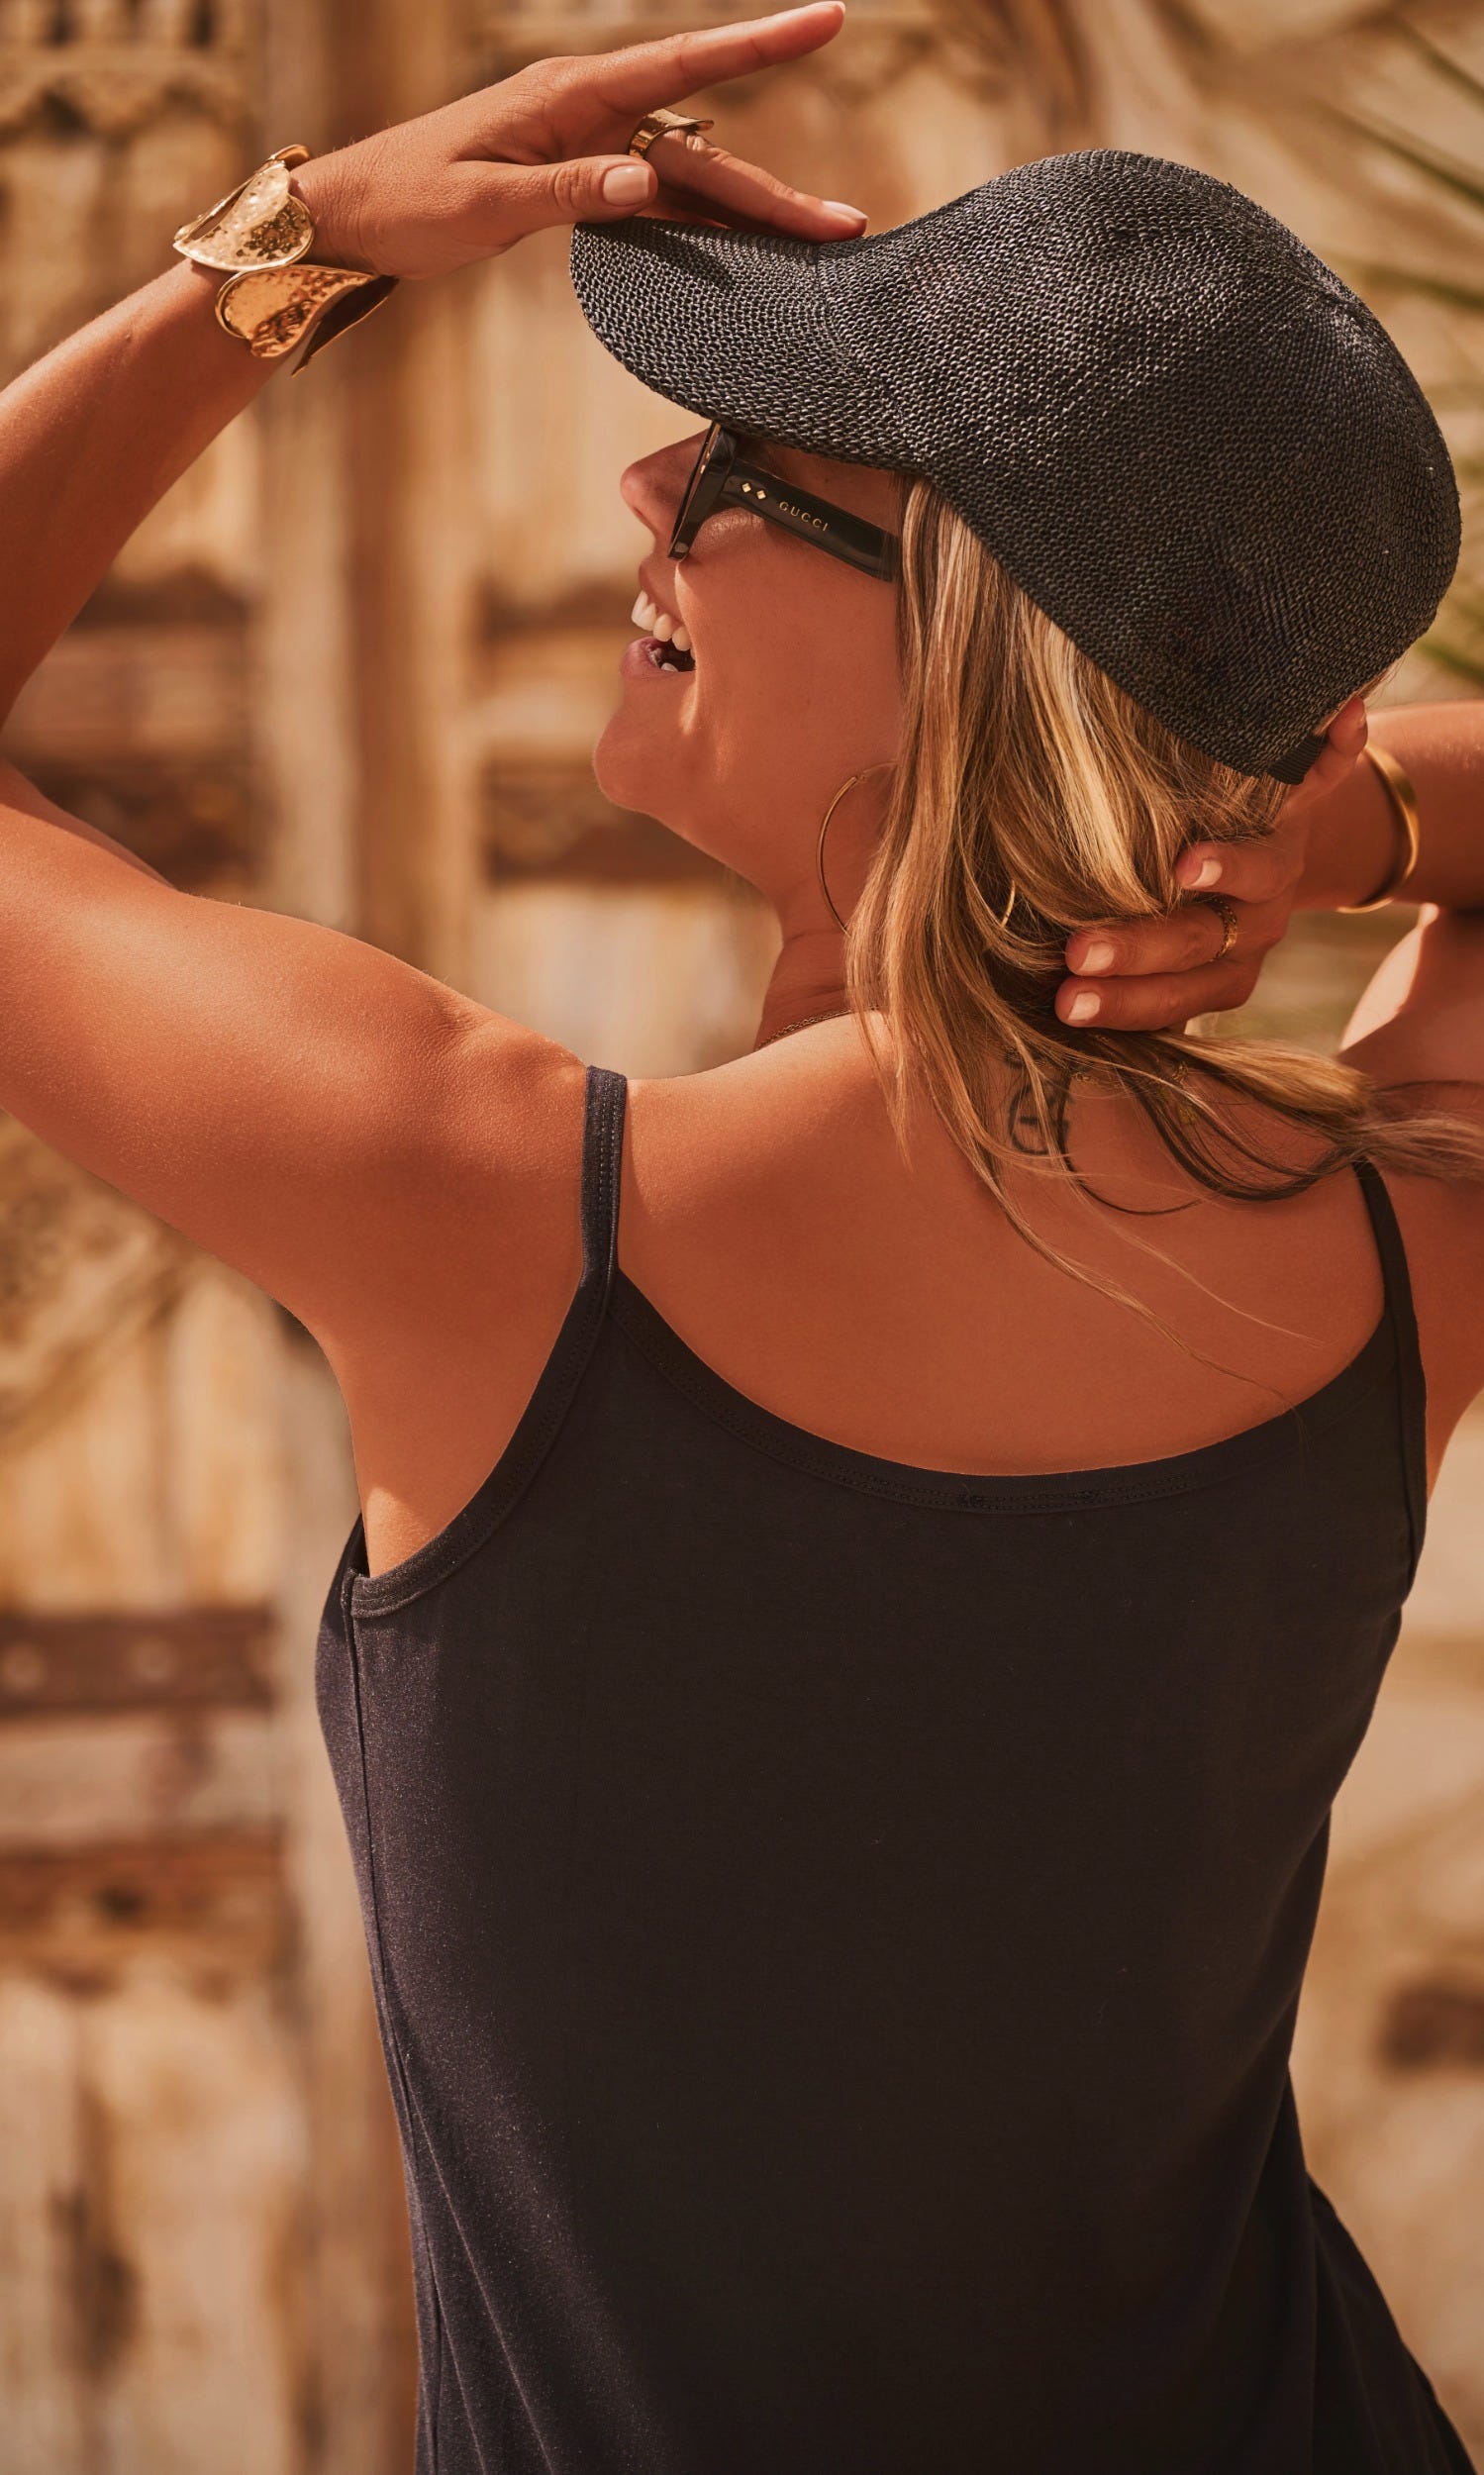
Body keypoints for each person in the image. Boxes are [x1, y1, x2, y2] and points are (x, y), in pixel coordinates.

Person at [1, 6, 1480, 2466]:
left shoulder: (489, 1214)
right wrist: (1307, 826)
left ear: (968, 650)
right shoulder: (1389, 1264)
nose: (646, 483)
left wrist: (283, 253)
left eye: (749, 474)